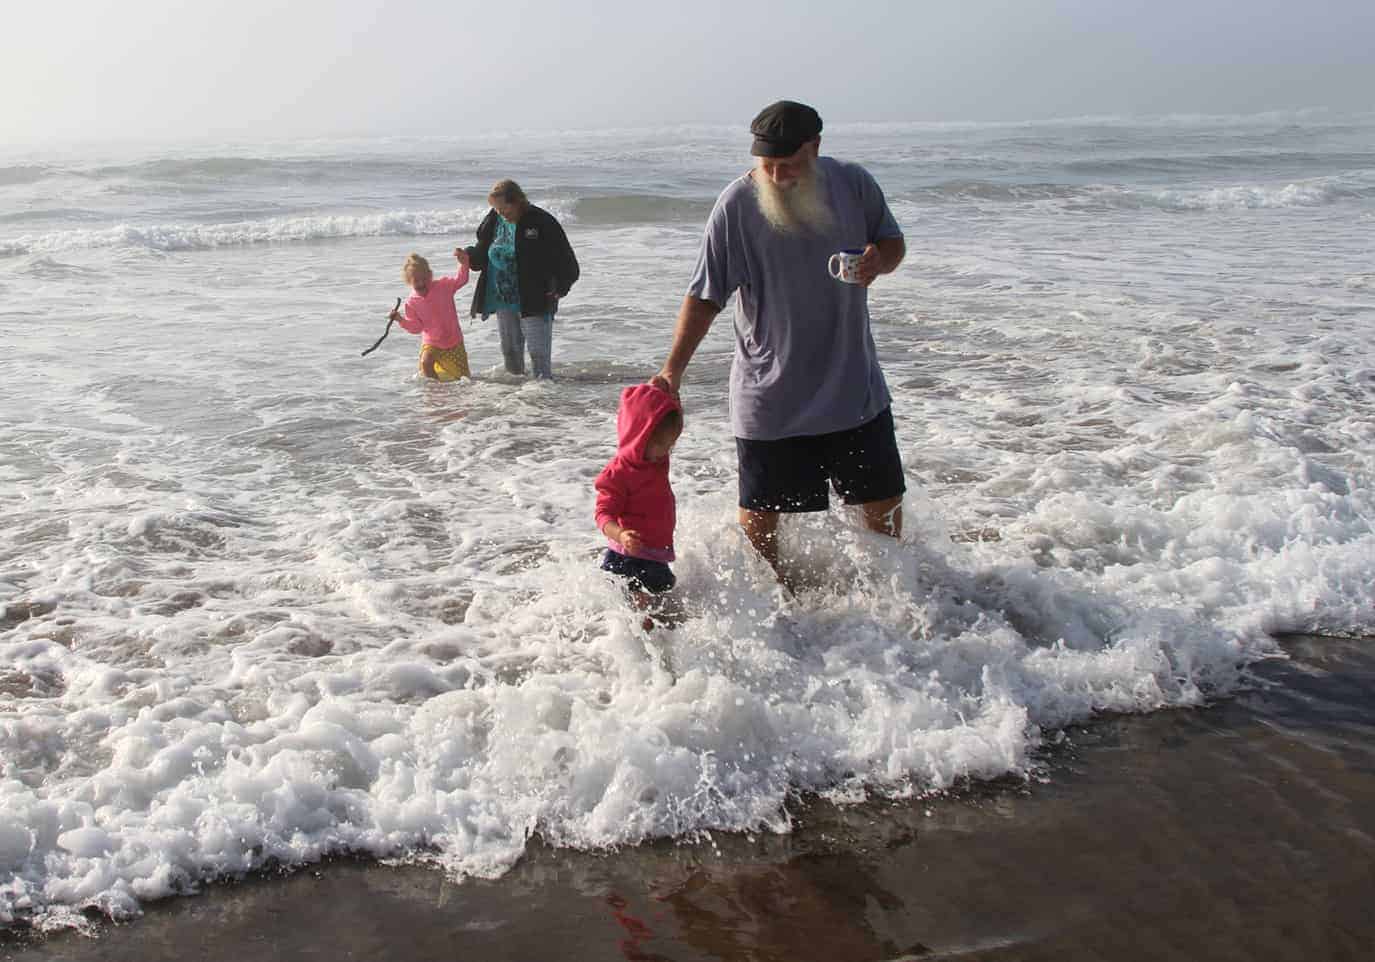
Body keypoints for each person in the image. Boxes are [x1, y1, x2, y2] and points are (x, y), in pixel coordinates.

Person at [651, 100, 907, 582]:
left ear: (815, 148)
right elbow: (705, 295)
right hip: (769, 395)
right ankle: (778, 622)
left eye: (787, 164)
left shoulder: (854, 184)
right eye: (766, 165)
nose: (775, 175)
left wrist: (880, 261)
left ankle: (896, 613)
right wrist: (672, 370)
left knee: (884, 521)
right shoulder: (736, 205)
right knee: (761, 533)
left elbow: (892, 243)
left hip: (853, 388)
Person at [465, 179, 580, 379]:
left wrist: (561, 287)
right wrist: (468, 257)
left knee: (539, 358)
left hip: (535, 298)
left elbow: (567, 261)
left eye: (504, 209)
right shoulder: (494, 220)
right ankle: (517, 405)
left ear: (518, 201)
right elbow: (481, 255)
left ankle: (545, 402)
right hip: (503, 298)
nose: (500, 214)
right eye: (496, 209)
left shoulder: (541, 221)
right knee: (510, 355)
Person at [594, 383, 683, 624]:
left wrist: (673, 398)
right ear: (640, 436)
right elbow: (602, 515)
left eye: (670, 445)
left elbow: (665, 421)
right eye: (663, 445)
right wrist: (620, 534)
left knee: (665, 614)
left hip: (654, 555)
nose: (668, 452)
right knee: (643, 615)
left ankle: (662, 653)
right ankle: (639, 655)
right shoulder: (618, 474)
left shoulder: (656, 460)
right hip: (628, 559)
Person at [391, 250, 472, 381]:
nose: (421, 283)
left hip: (453, 341)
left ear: (430, 276)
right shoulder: (411, 302)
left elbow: (461, 280)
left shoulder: (444, 286)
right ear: (409, 281)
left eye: (424, 279)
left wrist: (464, 264)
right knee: (426, 362)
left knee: (462, 379)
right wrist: (400, 320)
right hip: (432, 343)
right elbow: (416, 328)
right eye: (416, 281)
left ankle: (454, 396)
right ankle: (436, 392)